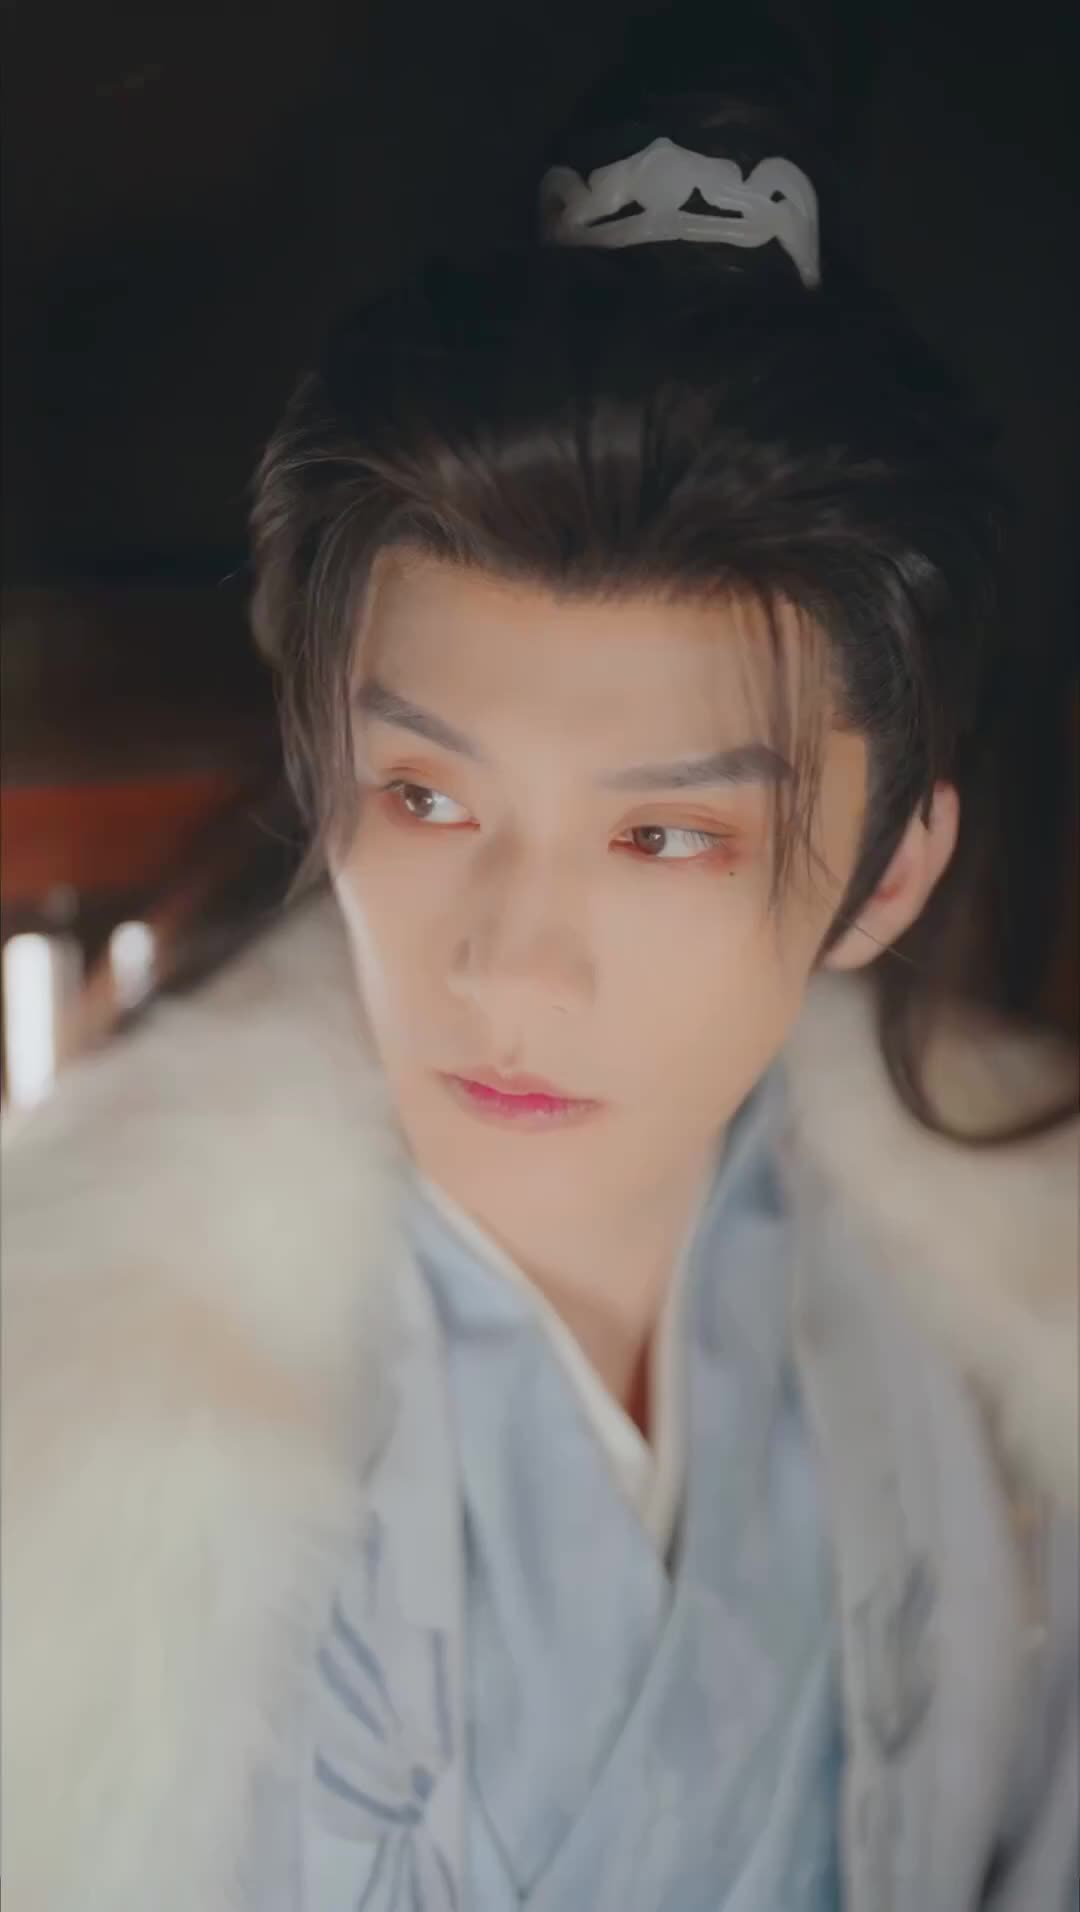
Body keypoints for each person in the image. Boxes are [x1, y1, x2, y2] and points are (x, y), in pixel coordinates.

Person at [3, 60, 1078, 1912]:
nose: (505, 956)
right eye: (426, 796)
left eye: (663, 835)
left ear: (887, 875)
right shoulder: (82, 1437)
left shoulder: (997, 1326)